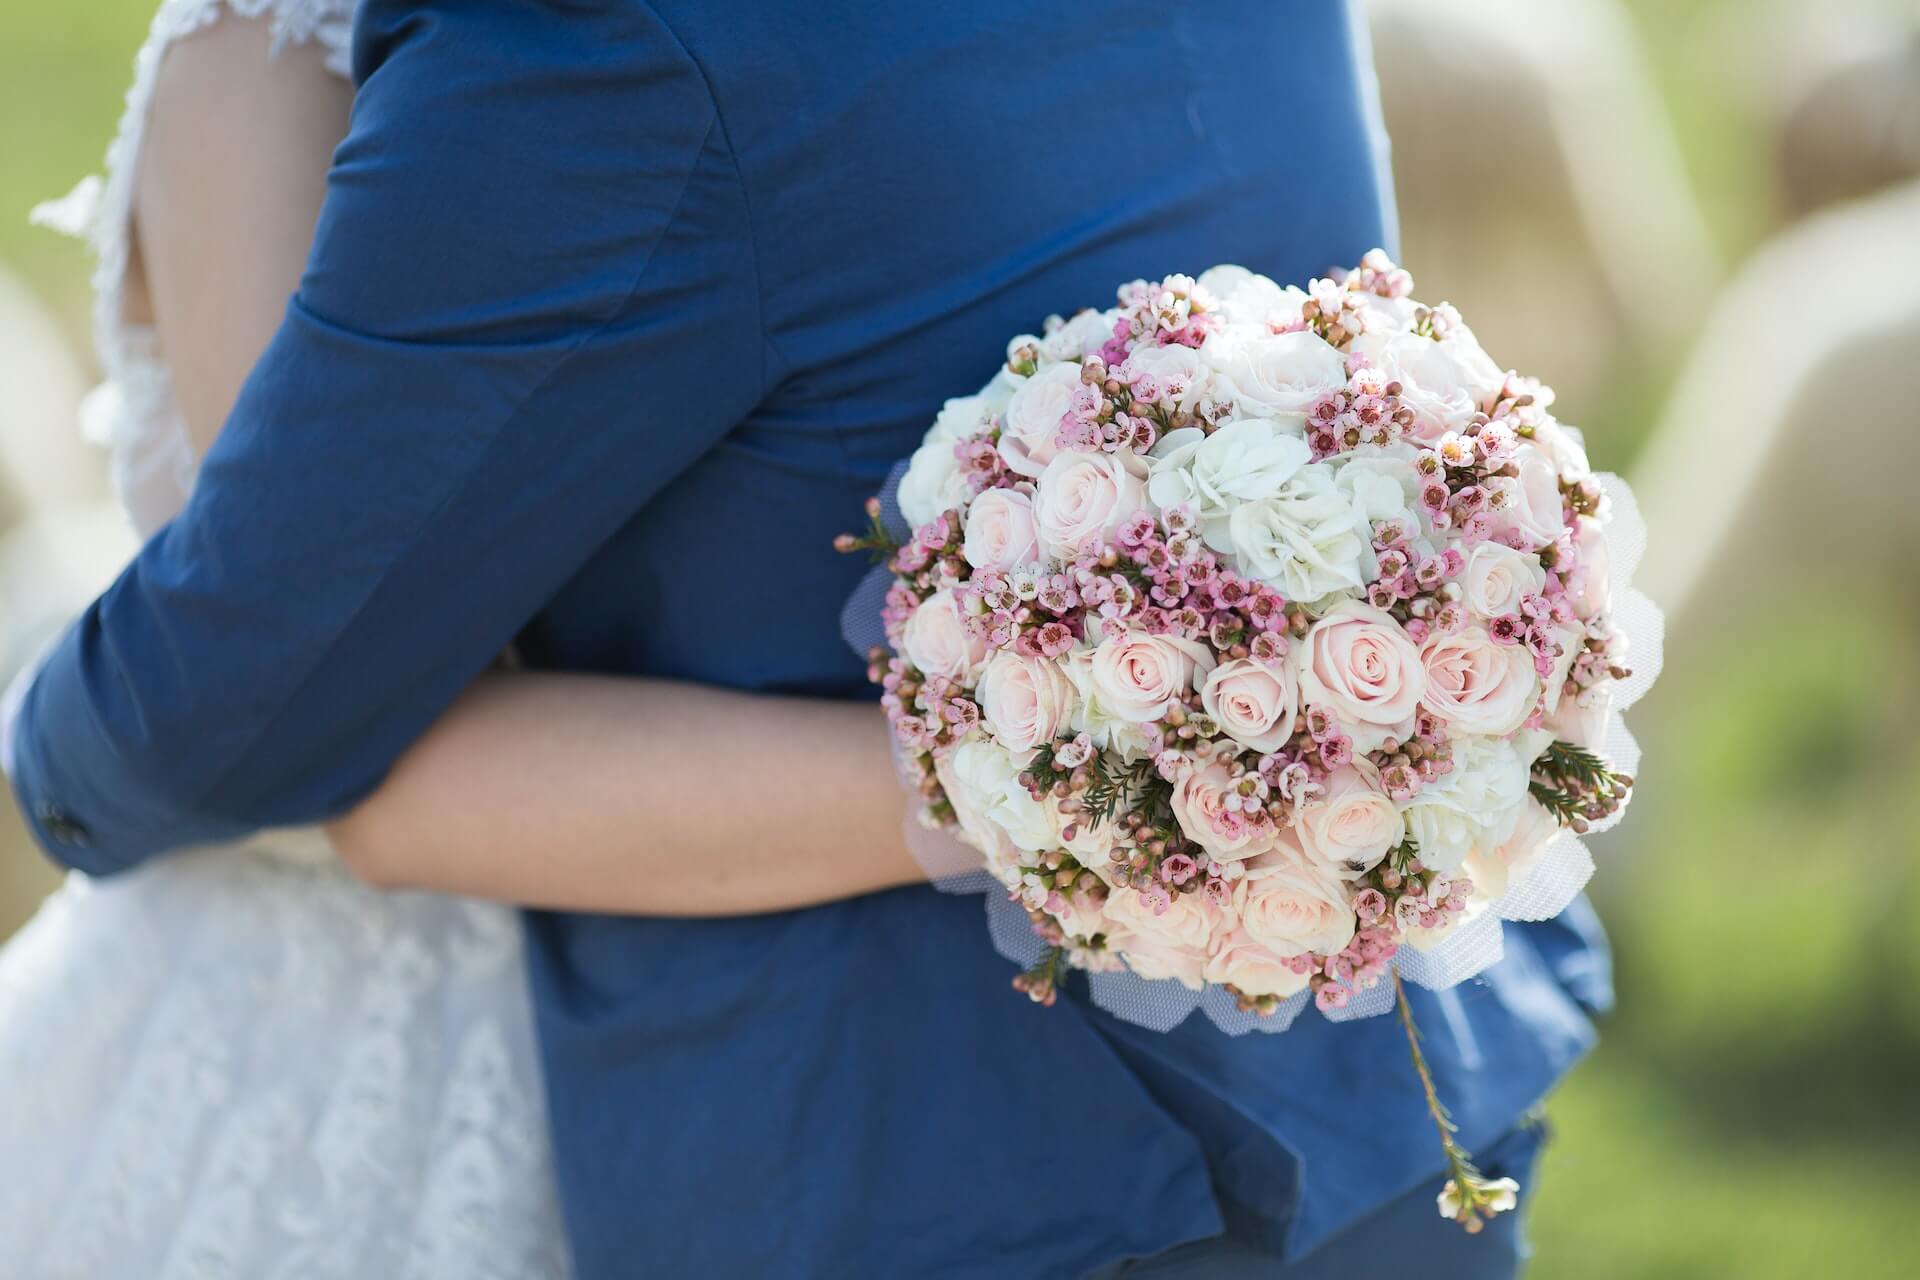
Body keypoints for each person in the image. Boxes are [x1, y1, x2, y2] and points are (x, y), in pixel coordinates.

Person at [6, 2, 1610, 1275]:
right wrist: (1214, 752)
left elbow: (245, 709)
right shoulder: (272, 60)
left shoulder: (611, 39)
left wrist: (1133, 760)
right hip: (1376, 1052)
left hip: (929, 1153)